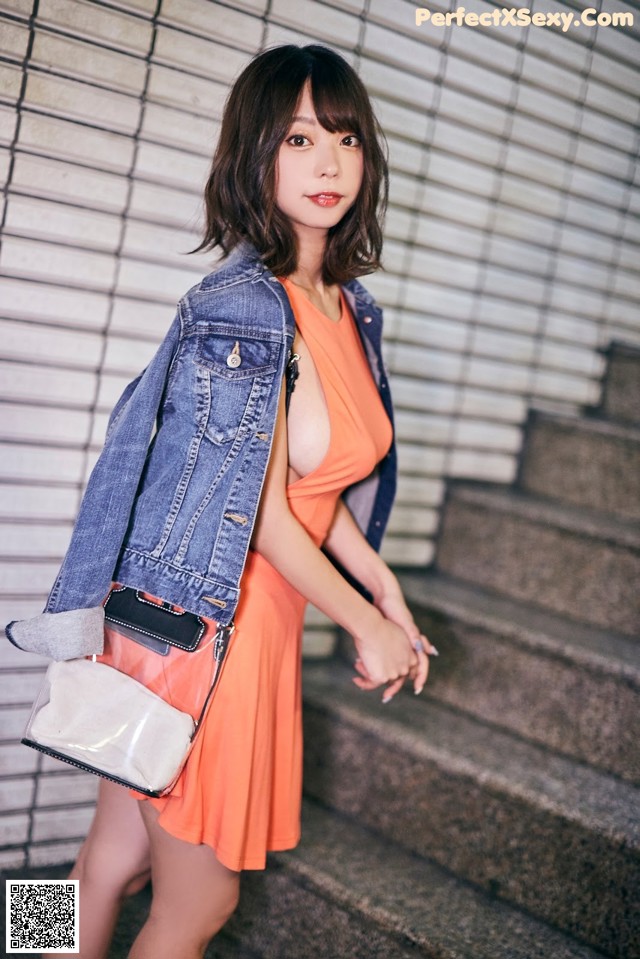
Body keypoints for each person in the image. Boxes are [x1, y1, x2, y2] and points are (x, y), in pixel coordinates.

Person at [29, 43, 435, 959]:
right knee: (196, 907)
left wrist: (381, 589)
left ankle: (25, 947)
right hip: (213, 636)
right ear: (254, 153)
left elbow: (316, 489)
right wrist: (364, 628)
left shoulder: (347, 306)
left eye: (345, 138)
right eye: (298, 138)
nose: (328, 163)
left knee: (105, 858)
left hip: (213, 625)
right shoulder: (245, 310)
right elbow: (261, 515)